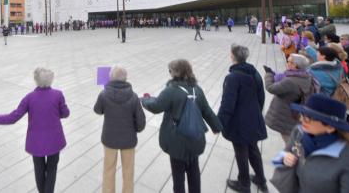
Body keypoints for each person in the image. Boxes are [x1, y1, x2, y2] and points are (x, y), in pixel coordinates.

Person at [141, 59, 222, 193]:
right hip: (195, 139)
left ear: (175, 73)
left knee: (178, 178)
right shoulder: (197, 90)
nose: (170, 73)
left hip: (176, 142)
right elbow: (207, 110)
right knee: (194, 172)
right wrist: (216, 127)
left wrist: (144, 100)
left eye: (170, 71)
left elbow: (156, 106)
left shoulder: (171, 90)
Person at [0, 67, 69, 193]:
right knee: (52, 169)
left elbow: (14, 117)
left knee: (39, 170)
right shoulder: (58, 94)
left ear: (35, 80)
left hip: (36, 142)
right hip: (54, 140)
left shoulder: (29, 97)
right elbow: (65, 114)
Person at [272, 94, 349, 192]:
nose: (301, 120)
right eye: (302, 114)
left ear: (330, 127)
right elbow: (282, 155)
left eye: (308, 117)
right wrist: (284, 158)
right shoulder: (299, 133)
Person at [218, 44, 267, 193]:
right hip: (253, 118)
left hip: (239, 122)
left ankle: (244, 184)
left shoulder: (233, 77)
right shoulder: (254, 72)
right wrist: (255, 112)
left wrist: (218, 123)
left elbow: (227, 104)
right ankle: (260, 179)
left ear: (233, 56)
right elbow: (261, 97)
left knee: (241, 152)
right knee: (253, 149)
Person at [94, 66, 146, 193]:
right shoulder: (133, 97)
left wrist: (102, 97)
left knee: (108, 169)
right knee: (128, 170)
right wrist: (137, 129)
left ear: (110, 77)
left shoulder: (104, 94)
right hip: (128, 140)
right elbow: (141, 122)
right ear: (126, 79)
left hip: (109, 138)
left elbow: (97, 110)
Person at [263, 54, 317, 144]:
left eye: (289, 61)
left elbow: (271, 88)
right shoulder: (306, 76)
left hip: (287, 115)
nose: (287, 63)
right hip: (296, 113)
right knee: (293, 139)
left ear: (295, 65)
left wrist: (268, 75)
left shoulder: (290, 80)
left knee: (290, 143)